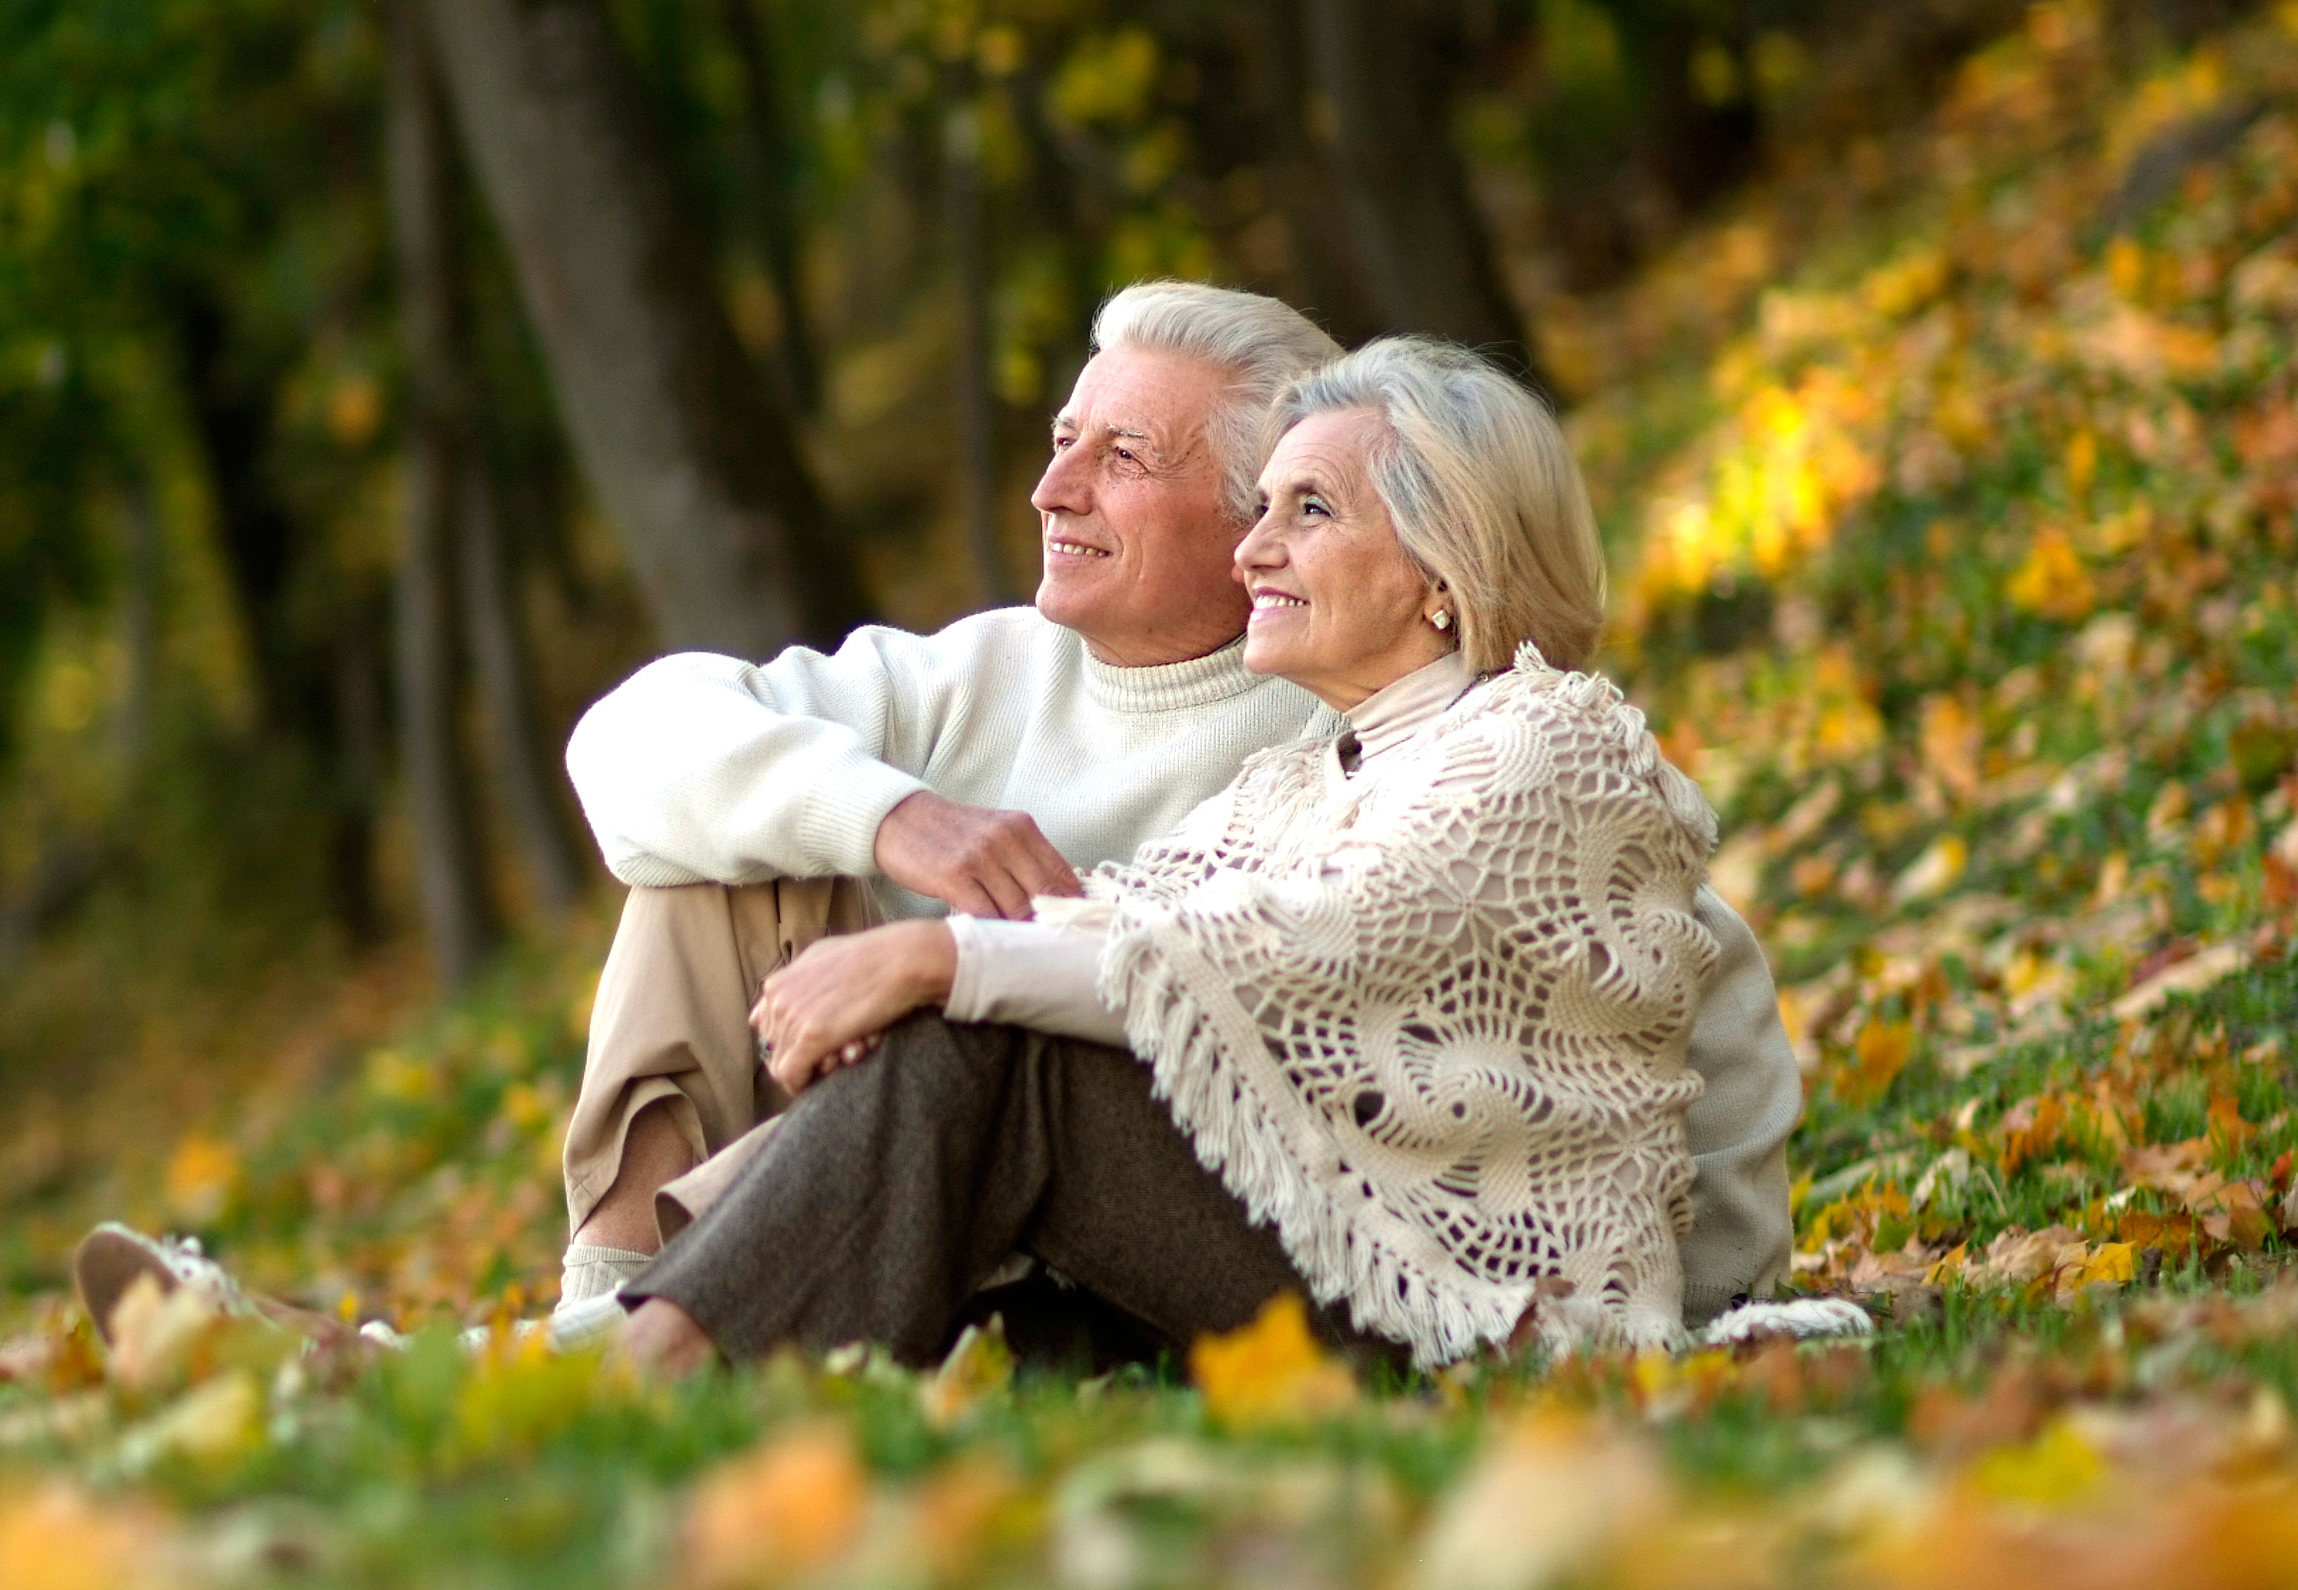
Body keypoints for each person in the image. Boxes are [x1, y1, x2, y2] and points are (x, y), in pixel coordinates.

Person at [552, 284, 1796, 1336]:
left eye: (1123, 458)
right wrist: (894, 822)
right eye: (1059, 439)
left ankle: (650, 1335)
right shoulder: (1059, 699)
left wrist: (1715, 1291)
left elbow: (1680, 986)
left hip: (1315, 1265)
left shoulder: (1477, 737)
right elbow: (633, 742)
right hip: (992, 1171)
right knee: (717, 853)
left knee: (989, 1027)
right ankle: (616, 1309)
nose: (1052, 490)